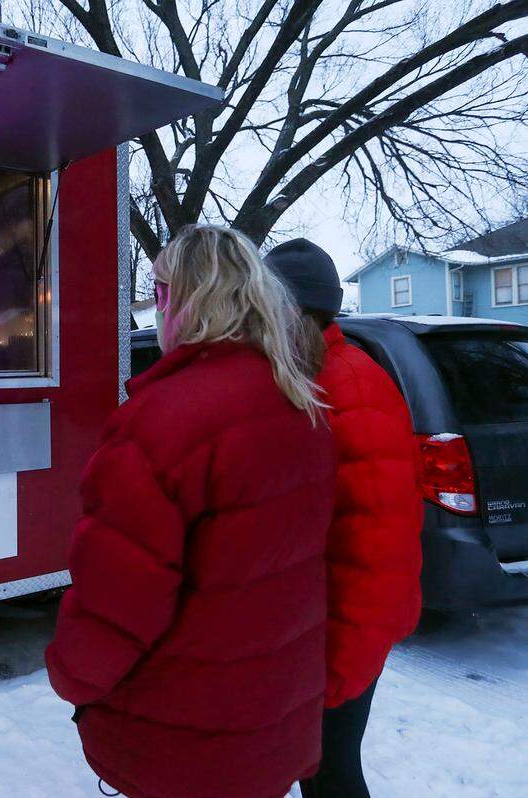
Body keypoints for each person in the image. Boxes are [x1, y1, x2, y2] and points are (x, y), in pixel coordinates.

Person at [45, 224, 337, 798]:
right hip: (270, 714)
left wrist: (73, 675)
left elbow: (120, 596)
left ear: (178, 298)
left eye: (159, 291)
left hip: (182, 730)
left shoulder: (162, 419)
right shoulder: (300, 403)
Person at [265, 238, 423, 798]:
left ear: (287, 308)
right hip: (315, 632)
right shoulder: (306, 375)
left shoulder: (348, 387)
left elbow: (378, 549)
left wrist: (341, 671)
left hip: (343, 640)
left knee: (330, 774)